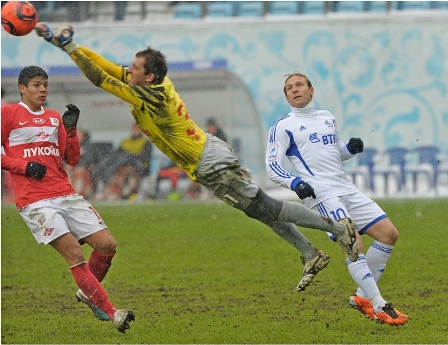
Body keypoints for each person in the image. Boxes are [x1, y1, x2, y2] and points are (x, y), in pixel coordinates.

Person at [34, 22, 360, 293]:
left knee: (263, 205)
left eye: (134, 68)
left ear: (147, 76)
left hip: (210, 160)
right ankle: (309, 254)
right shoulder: (152, 83)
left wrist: (69, 48)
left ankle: (339, 228)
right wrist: (70, 43)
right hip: (205, 162)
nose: (128, 70)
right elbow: (107, 67)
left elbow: (100, 78)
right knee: (259, 211)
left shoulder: (148, 94)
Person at [265, 72, 409, 326]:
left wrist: (350, 149)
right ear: (286, 96)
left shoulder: (326, 118)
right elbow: (272, 166)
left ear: (312, 90)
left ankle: (363, 297)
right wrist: (295, 183)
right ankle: (380, 305)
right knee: (353, 243)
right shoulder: (282, 126)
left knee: (388, 234)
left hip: (346, 188)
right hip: (321, 195)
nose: (294, 90)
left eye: (299, 85)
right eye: (289, 88)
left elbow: (337, 153)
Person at [0, 66, 134, 333]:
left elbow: (71, 158)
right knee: (74, 253)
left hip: (64, 192)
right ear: (22, 88)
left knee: (107, 245)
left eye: (45, 85)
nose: (43, 90)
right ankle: (113, 311)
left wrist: (70, 130)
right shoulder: (8, 113)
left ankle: (87, 294)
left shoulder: (52, 117)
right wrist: (23, 167)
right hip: (34, 200)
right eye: (37, 85)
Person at [92, 122, 152, 200]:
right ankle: (108, 192)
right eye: (134, 128)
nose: (135, 130)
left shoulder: (145, 142)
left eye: (137, 128)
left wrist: (130, 157)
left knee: (124, 171)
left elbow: (145, 157)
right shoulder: (125, 141)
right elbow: (117, 155)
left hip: (137, 166)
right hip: (122, 164)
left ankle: (118, 193)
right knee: (112, 171)